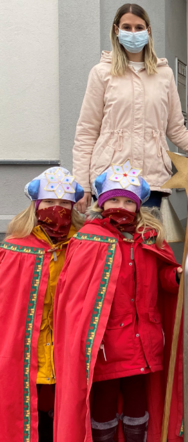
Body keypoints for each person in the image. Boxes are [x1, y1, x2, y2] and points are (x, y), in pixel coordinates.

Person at [53, 161, 188, 442]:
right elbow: (75, 297)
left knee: (138, 404)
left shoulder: (150, 238)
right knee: (104, 404)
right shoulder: (88, 239)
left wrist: (176, 276)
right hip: (106, 344)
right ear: (102, 204)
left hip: (143, 341)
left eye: (127, 201)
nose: (121, 206)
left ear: (138, 206)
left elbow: (162, 278)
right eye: (113, 200)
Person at [73, 3, 188, 212]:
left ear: (148, 31)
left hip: (151, 179)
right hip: (110, 179)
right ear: (116, 30)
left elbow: (176, 130)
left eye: (139, 28)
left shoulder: (163, 74)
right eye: (127, 27)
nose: (133, 33)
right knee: (112, 244)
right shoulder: (102, 72)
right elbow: (86, 132)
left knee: (146, 242)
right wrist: (82, 185)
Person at [0, 167, 84, 442]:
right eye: (49, 202)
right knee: (32, 411)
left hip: (68, 346)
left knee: (65, 413)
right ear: (36, 206)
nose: (56, 209)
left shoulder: (84, 246)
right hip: (29, 348)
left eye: (63, 204)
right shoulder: (15, 248)